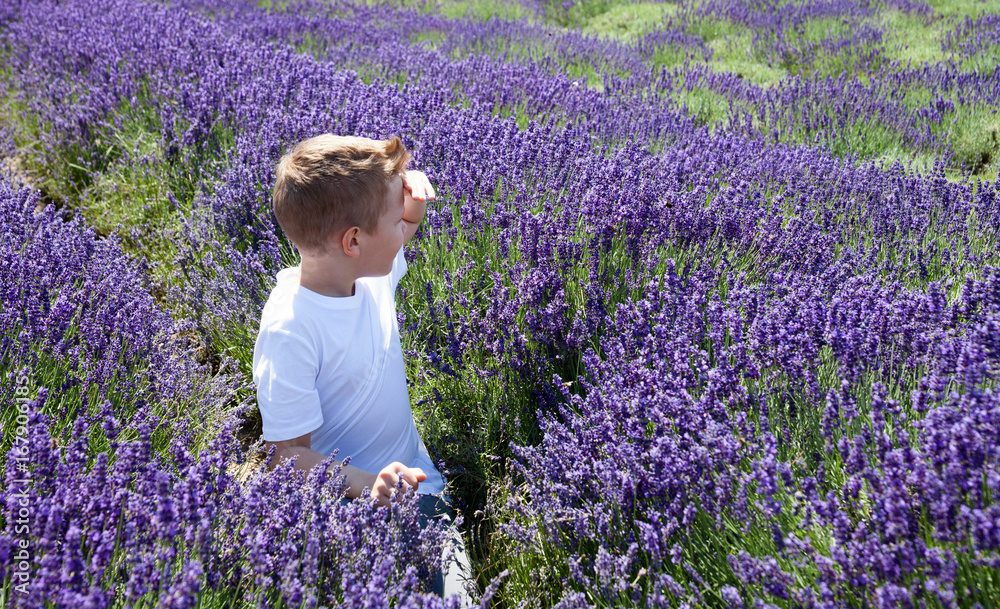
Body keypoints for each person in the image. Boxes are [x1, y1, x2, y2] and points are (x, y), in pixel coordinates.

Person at [251, 133, 469, 599]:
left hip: (416, 480)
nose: (405, 232)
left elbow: (404, 227)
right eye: (394, 221)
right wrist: (370, 484)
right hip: (346, 505)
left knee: (460, 597)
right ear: (353, 241)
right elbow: (284, 457)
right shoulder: (291, 330)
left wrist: (410, 203)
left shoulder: (368, 272)